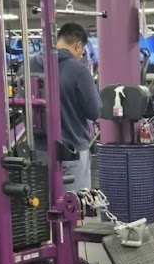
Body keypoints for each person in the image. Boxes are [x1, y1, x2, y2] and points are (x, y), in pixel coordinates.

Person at [29, 22, 101, 193]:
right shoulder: (79, 70)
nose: (81, 55)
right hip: (72, 152)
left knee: (42, 206)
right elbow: (95, 111)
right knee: (74, 204)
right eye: (82, 51)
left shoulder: (29, 65)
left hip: (38, 152)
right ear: (78, 46)